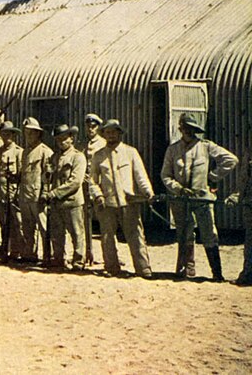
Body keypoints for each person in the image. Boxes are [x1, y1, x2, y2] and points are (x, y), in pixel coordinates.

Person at [161, 113, 238, 281]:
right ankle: (187, 268)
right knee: (184, 233)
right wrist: (178, 188)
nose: (188, 131)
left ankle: (217, 273)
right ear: (180, 129)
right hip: (180, 199)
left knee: (209, 233)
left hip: (202, 199)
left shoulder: (206, 146)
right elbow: (165, 175)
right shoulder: (172, 150)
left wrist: (212, 177)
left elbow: (231, 160)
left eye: (192, 129)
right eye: (185, 128)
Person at [89, 119, 154, 278]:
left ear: (120, 133)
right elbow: (92, 180)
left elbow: (140, 175)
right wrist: (97, 195)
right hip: (107, 203)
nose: (110, 135)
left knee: (136, 235)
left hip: (128, 202)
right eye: (107, 132)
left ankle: (143, 268)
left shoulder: (130, 152)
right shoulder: (98, 156)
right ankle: (111, 267)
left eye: (113, 132)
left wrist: (148, 192)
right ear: (103, 134)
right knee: (107, 236)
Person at [42, 124, 87, 270]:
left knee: (77, 233)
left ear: (71, 139)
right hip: (55, 203)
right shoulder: (53, 157)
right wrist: (47, 174)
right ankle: (59, 259)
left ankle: (78, 262)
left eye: (64, 138)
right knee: (57, 234)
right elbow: (46, 180)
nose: (61, 142)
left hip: (72, 202)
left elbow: (75, 182)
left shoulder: (78, 157)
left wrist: (54, 193)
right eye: (58, 139)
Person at [17, 117, 53, 262]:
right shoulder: (25, 152)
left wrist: (45, 193)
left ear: (38, 134)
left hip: (38, 196)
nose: (29, 136)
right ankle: (29, 254)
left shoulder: (45, 152)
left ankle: (47, 256)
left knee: (44, 228)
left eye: (32, 133)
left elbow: (48, 176)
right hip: (25, 194)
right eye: (27, 133)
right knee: (27, 227)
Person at [77, 113, 106, 265]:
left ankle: (107, 255)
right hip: (84, 186)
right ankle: (88, 253)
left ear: (98, 127)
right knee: (84, 222)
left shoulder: (103, 144)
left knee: (104, 222)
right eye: (88, 126)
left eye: (93, 126)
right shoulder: (81, 145)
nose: (90, 129)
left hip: (99, 187)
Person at [0, 121, 23, 249]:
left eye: (9, 134)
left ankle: (20, 250)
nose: (6, 137)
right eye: (4, 134)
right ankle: (7, 248)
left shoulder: (18, 152)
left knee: (17, 222)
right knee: (4, 222)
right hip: (0, 192)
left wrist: (18, 191)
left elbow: (21, 174)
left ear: (13, 135)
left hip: (13, 192)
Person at [226, 154, 252, 285]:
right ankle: (248, 275)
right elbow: (244, 178)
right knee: (250, 242)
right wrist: (236, 196)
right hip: (250, 203)